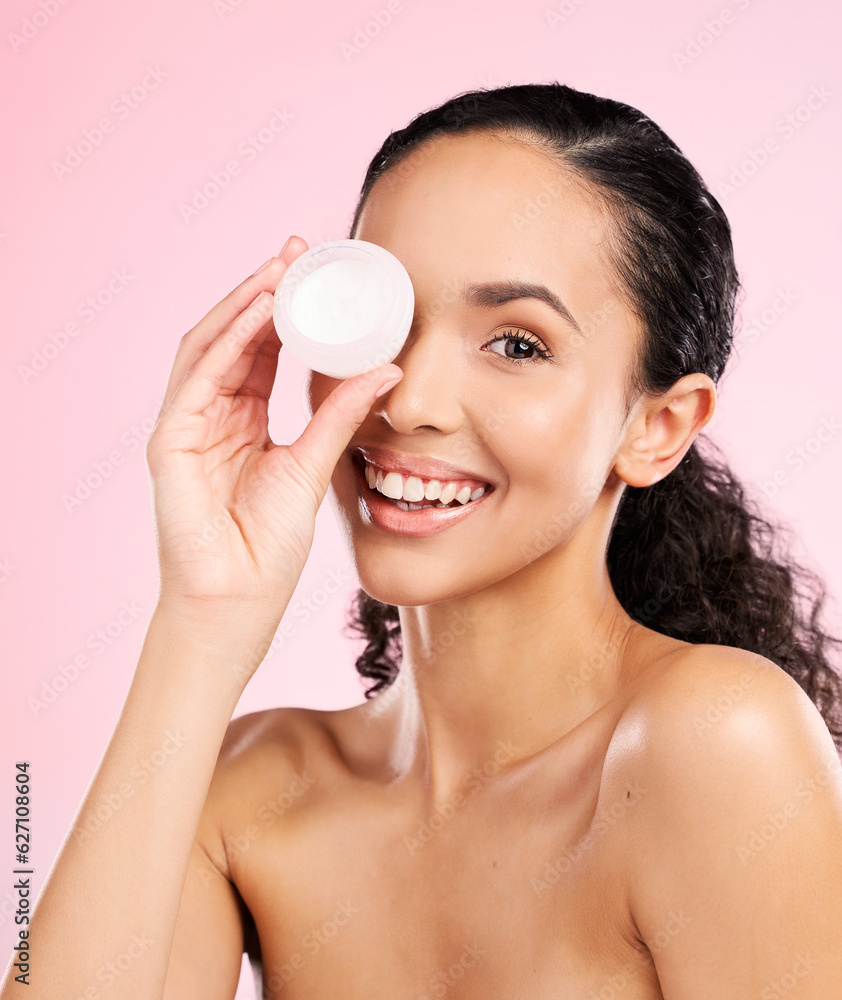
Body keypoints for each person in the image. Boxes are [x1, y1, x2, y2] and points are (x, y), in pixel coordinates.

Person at [4, 82, 842, 999]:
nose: (405, 401)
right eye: (385, 319)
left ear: (659, 427)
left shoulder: (717, 744)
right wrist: (203, 621)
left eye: (517, 345)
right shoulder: (254, 790)